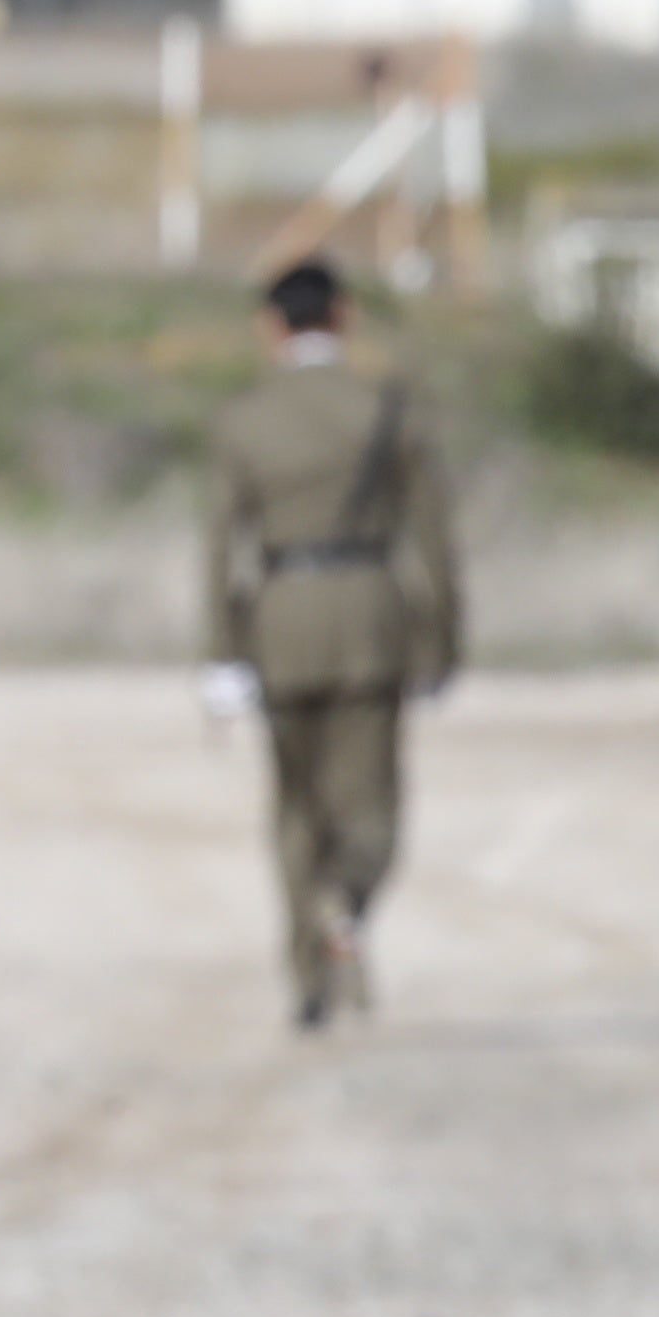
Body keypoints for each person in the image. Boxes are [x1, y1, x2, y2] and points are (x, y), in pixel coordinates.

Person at [202, 257, 461, 1029]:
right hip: (371, 622)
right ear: (343, 316)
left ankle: (307, 984)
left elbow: (220, 548)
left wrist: (220, 655)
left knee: (294, 811)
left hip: (278, 621)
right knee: (372, 807)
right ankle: (345, 904)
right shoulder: (386, 409)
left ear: (269, 325)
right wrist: (441, 641)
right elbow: (434, 542)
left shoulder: (242, 419)